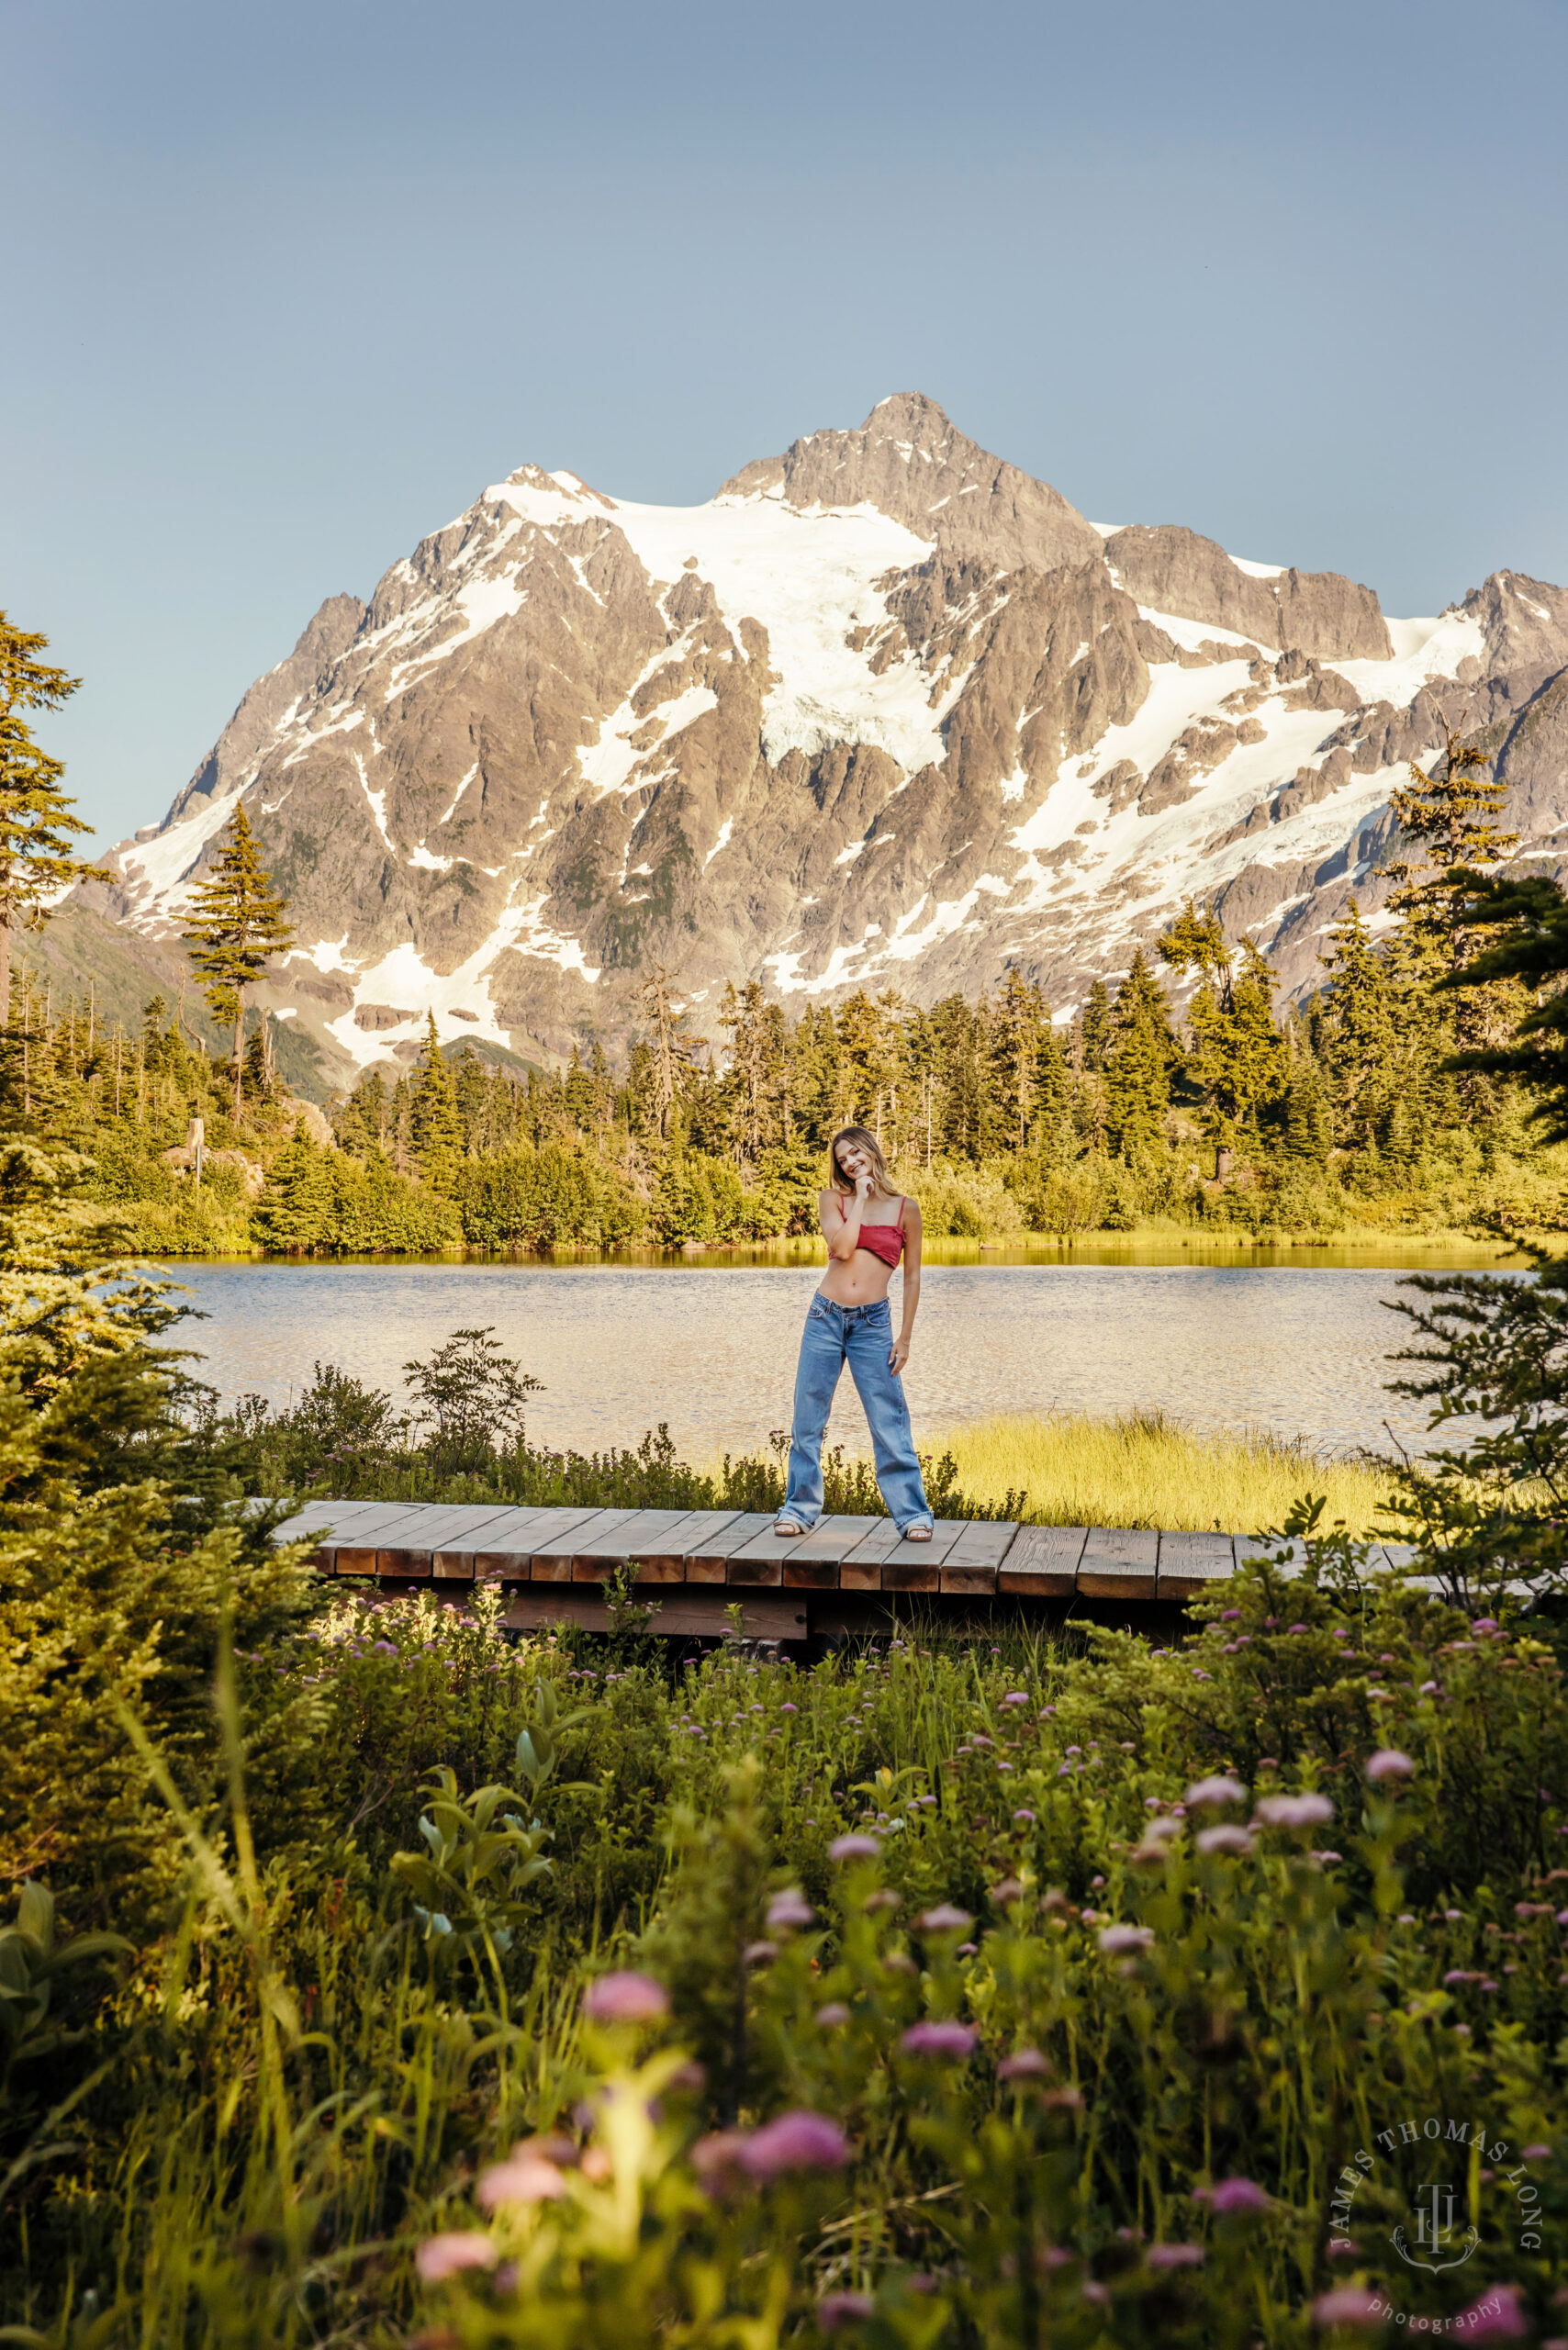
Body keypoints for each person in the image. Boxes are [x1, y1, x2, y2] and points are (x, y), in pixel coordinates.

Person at [774, 1125, 934, 1542]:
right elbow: (841, 1249)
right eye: (842, 1158)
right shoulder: (834, 1200)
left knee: (888, 1420)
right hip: (825, 1317)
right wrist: (860, 1198)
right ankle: (798, 1509)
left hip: (873, 1325)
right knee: (808, 1418)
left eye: (854, 1152)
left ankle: (913, 1514)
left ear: (871, 1150)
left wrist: (905, 1338)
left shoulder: (906, 1209)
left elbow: (913, 1278)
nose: (849, 1161)